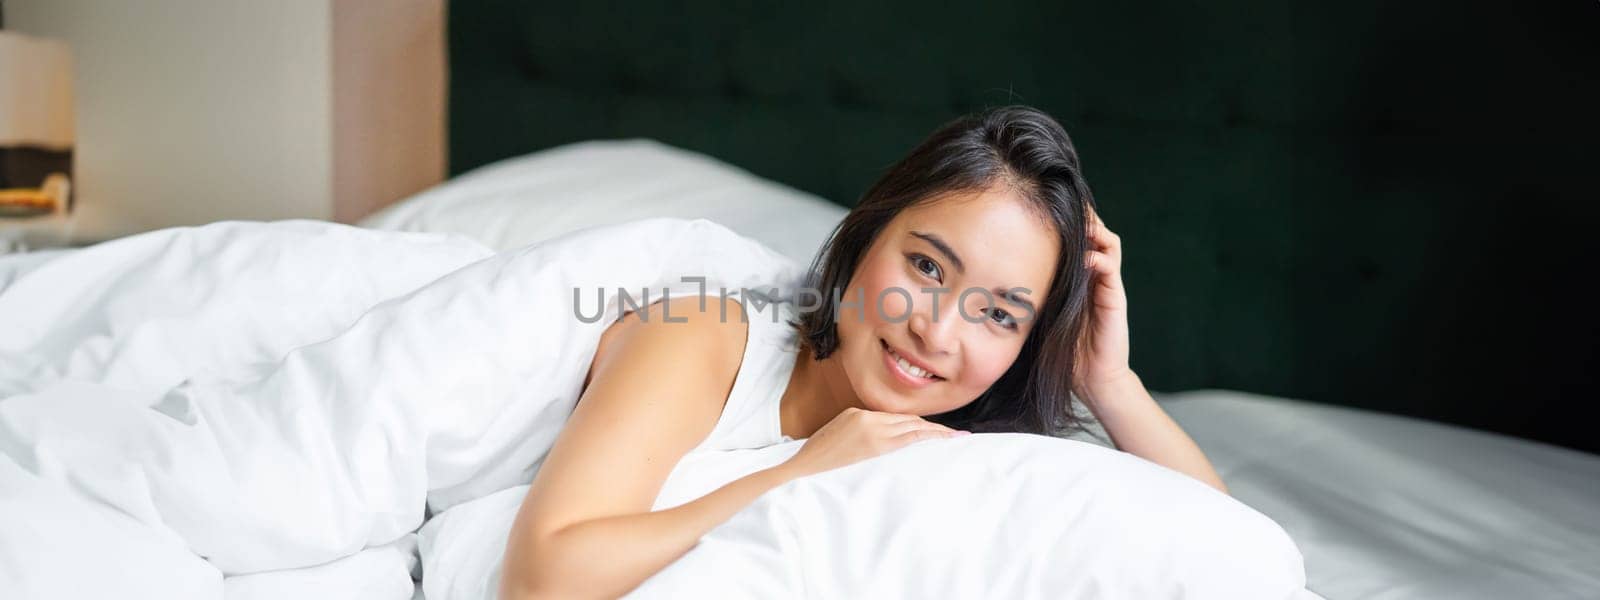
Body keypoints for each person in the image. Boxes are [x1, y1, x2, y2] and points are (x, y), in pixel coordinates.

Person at [498, 105, 1227, 600]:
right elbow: (543, 576)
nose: (937, 333)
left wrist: (1110, 380)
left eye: (999, 314)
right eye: (928, 268)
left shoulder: (965, 441)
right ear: (867, 232)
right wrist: (798, 472)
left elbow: (1223, 552)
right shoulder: (703, 335)